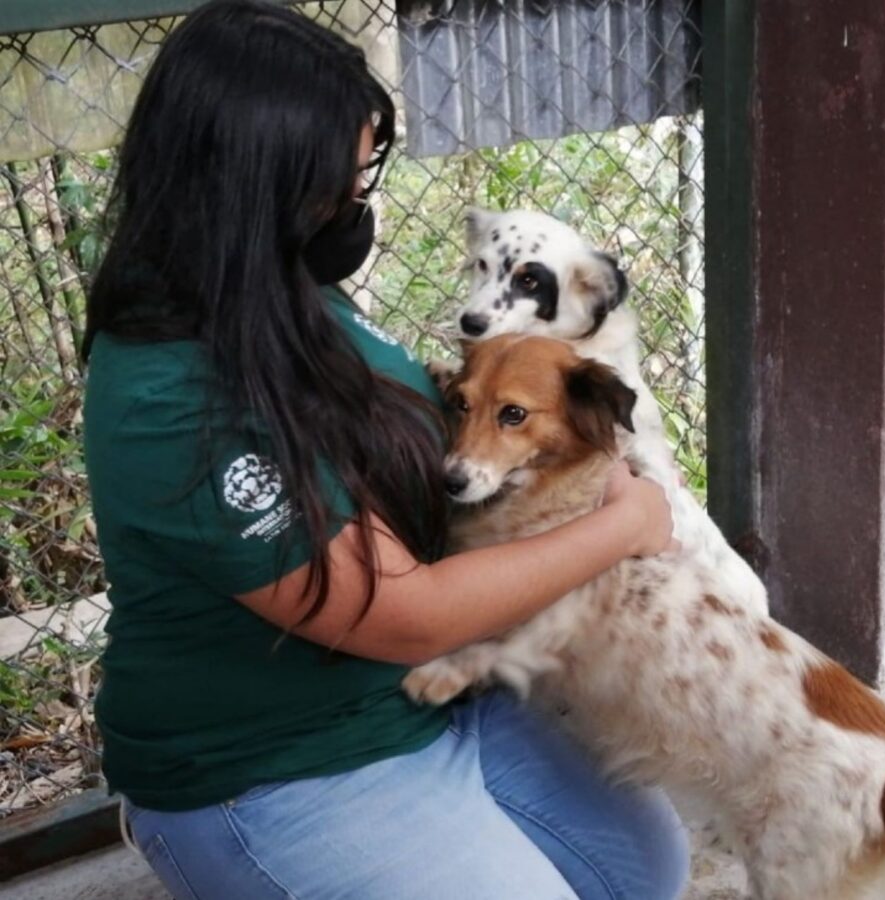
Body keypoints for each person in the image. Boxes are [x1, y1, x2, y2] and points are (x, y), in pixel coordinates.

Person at [81, 2, 689, 897]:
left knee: (644, 871)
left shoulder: (283, 291)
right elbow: (402, 615)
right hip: (276, 760)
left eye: (366, 175)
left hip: (428, 699)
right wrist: (624, 524)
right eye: (343, 185)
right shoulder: (168, 392)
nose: (357, 204)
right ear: (257, 186)